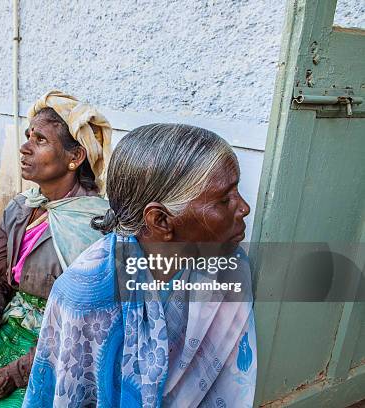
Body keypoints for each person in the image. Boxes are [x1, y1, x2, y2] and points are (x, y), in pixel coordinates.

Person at [23, 123, 257, 407]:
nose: (244, 208)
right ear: (160, 220)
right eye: (224, 199)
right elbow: (69, 395)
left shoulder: (227, 267)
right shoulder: (85, 298)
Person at [0, 90, 112, 407]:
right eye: (28, 136)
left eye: (40, 140)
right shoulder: (21, 208)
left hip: (58, 347)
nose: (24, 148)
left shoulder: (95, 225)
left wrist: (20, 371)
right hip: (9, 327)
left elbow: (89, 323)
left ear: (75, 157)